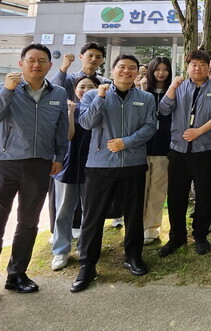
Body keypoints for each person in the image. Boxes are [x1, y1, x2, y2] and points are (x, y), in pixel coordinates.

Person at [0, 43, 70, 309]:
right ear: (21, 63)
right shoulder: (0, 88)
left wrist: (59, 156)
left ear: (50, 66)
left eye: (42, 60)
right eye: (30, 60)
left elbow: (61, 128)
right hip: (2, 164)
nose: (36, 65)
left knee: (28, 224)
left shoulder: (58, 93)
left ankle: (17, 274)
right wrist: (7, 90)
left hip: (39, 165)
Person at [70, 54, 156, 293]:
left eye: (131, 68)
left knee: (133, 213)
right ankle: (87, 264)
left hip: (133, 163)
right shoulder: (92, 94)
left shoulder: (146, 98)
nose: (126, 71)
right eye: (121, 67)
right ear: (112, 69)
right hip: (100, 164)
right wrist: (99, 96)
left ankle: (133, 256)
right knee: (93, 216)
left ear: (137, 72)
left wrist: (126, 142)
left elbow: (150, 127)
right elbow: (86, 123)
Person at [157, 50, 211, 257]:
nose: (197, 68)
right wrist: (172, 87)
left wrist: (199, 130)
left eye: (202, 64)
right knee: (177, 195)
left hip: (205, 149)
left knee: (205, 194)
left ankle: (200, 235)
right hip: (178, 150)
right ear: (188, 67)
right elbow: (164, 110)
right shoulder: (179, 87)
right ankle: (176, 237)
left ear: (209, 67)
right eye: (193, 64)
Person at [51, 75, 98, 271]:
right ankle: (61, 251)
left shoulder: (99, 109)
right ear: (75, 90)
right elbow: (68, 136)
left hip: (93, 166)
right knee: (63, 211)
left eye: (90, 86)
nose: (85, 90)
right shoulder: (67, 108)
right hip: (68, 166)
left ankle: (84, 247)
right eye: (81, 87)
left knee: (90, 210)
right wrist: (70, 113)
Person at [143, 57, 173, 245]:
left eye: (165, 69)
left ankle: (152, 227)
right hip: (141, 149)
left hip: (164, 149)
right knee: (140, 189)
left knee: (157, 190)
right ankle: (137, 224)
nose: (161, 73)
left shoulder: (174, 93)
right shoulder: (142, 93)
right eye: (157, 69)